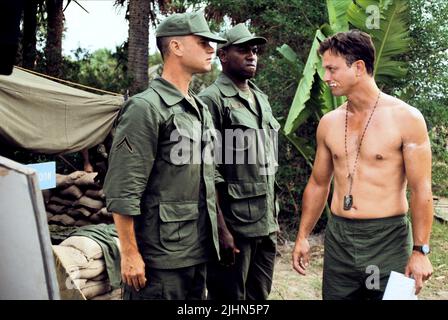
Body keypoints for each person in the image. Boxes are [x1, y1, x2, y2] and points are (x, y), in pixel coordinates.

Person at [291, 30, 433, 300]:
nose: (326, 77)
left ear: (358, 68)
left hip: (388, 239)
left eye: (332, 69)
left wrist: (420, 250)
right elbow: (319, 183)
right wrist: (302, 236)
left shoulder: (406, 118)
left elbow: (421, 189)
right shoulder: (329, 123)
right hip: (340, 240)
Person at [103, 11, 226, 300]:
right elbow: (123, 189)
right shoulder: (145, 108)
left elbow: (207, 178)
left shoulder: (200, 109)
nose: (212, 48)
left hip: (196, 253)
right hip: (160, 261)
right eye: (203, 41)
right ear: (176, 47)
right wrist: (130, 254)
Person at [199, 23, 281, 300]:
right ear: (223, 55)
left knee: (259, 297)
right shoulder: (211, 100)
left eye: (255, 50)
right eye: (243, 49)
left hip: (266, 222)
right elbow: (207, 171)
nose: (252, 55)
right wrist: (221, 230)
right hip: (235, 225)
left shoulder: (261, 98)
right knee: (228, 299)